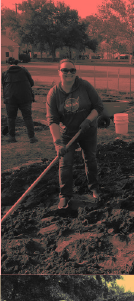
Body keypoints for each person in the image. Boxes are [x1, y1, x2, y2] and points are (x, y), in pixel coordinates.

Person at [46, 59, 105, 209]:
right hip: (67, 134)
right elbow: (52, 120)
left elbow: (98, 106)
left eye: (72, 70)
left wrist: (88, 120)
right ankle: (65, 195)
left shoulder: (84, 86)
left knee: (90, 159)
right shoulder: (54, 93)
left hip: (88, 130)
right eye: (65, 70)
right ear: (59, 71)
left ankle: (94, 189)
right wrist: (58, 142)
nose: (69, 73)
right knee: (65, 163)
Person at [1, 58, 38, 144]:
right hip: (25, 97)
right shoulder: (24, 70)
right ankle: (32, 137)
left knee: (11, 118)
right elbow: (32, 83)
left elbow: (3, 84)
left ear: (8, 64)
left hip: (10, 98)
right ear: (17, 63)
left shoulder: (4, 72)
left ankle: (12, 137)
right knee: (27, 117)